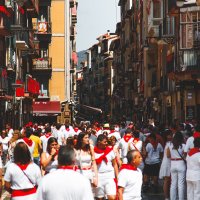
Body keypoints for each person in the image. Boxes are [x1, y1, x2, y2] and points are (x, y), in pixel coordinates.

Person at [94, 134, 118, 200]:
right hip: (99, 177)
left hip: (109, 176)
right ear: (99, 142)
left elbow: (115, 164)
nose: (106, 143)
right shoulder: (93, 151)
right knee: (99, 198)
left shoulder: (110, 151)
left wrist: (117, 176)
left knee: (112, 197)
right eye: (105, 142)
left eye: (107, 141)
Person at [167, 132, 186, 200]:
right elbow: (185, 155)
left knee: (173, 184)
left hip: (173, 164)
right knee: (181, 184)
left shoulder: (169, 144)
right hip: (181, 163)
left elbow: (168, 155)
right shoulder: (183, 145)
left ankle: (173, 198)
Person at [159, 129, 172, 200]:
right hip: (167, 164)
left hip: (168, 163)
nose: (172, 135)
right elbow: (168, 155)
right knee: (166, 181)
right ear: (167, 136)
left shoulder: (168, 143)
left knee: (167, 181)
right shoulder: (168, 143)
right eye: (170, 134)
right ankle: (166, 197)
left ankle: (167, 196)